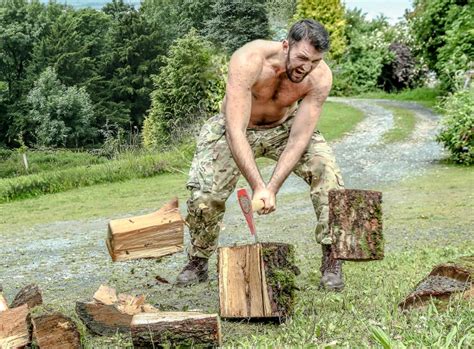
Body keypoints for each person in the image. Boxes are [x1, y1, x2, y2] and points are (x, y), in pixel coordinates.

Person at [176, 19, 345, 291]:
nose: (307, 67)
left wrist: (273, 187)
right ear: (286, 45)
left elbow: (299, 137)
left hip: (284, 128)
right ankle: (198, 260)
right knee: (206, 194)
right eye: (302, 57)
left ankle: (333, 260)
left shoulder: (320, 76)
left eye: (315, 61)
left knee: (328, 173)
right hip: (237, 126)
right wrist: (258, 186)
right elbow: (235, 131)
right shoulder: (248, 59)